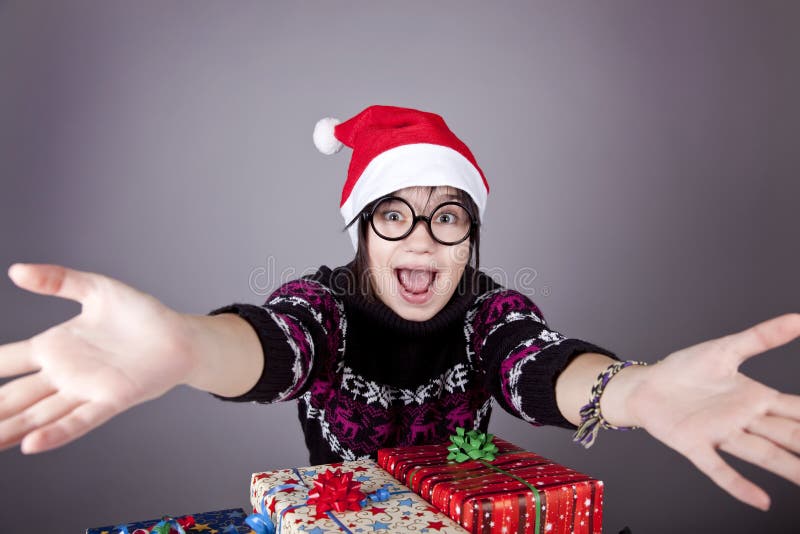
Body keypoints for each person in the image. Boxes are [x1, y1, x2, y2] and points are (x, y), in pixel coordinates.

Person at [0, 105, 797, 514]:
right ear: (362, 229)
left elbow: (537, 368)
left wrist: (635, 392)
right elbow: (273, 347)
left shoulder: (492, 312)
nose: (422, 240)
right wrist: (184, 345)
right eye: (396, 214)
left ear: (470, 238)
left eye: (448, 217)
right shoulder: (323, 307)